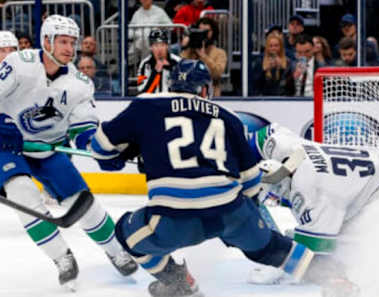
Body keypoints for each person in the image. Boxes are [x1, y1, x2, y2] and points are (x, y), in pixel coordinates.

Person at [88, 59, 316, 297]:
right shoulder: (229, 117)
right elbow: (250, 184)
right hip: (231, 212)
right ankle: (332, 275)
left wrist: (117, 156)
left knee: (127, 234)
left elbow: (99, 146)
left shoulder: (147, 105)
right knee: (271, 247)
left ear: (171, 84)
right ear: (205, 90)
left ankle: (179, 283)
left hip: (173, 219)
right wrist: (247, 220)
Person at [0, 15, 138, 289]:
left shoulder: (80, 84)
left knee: (84, 202)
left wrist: (99, 150)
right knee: (22, 193)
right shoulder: (20, 63)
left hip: (46, 147)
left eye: (72, 43)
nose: (70, 48)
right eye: (63, 42)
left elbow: (84, 130)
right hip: (2, 145)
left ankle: (116, 251)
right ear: (46, 41)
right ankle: (62, 257)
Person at [245, 122, 379, 293]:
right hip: (375, 159)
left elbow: (313, 255)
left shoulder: (309, 193)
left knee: (349, 250)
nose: (281, 199)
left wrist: (276, 267)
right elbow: (266, 134)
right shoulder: (288, 149)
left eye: (277, 195)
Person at [180, 17, 227, 97]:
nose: (203, 35)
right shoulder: (189, 51)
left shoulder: (220, 53)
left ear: (213, 32)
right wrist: (185, 47)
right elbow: (181, 73)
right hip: (188, 94)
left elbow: (217, 74)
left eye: (206, 31)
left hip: (211, 96)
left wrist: (203, 56)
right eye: (200, 31)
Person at [136, 28, 181, 94]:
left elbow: (183, 87)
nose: (159, 49)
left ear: (167, 46)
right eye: (156, 45)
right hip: (152, 101)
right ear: (151, 47)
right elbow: (143, 92)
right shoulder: (144, 64)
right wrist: (155, 72)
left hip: (172, 101)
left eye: (162, 45)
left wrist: (171, 69)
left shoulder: (178, 62)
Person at [128, 0, 172, 66]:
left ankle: (145, 64)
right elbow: (130, 31)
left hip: (156, 42)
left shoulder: (159, 12)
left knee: (144, 40)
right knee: (138, 44)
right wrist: (137, 34)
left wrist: (160, 28)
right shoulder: (137, 13)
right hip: (139, 42)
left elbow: (171, 26)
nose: (145, 0)